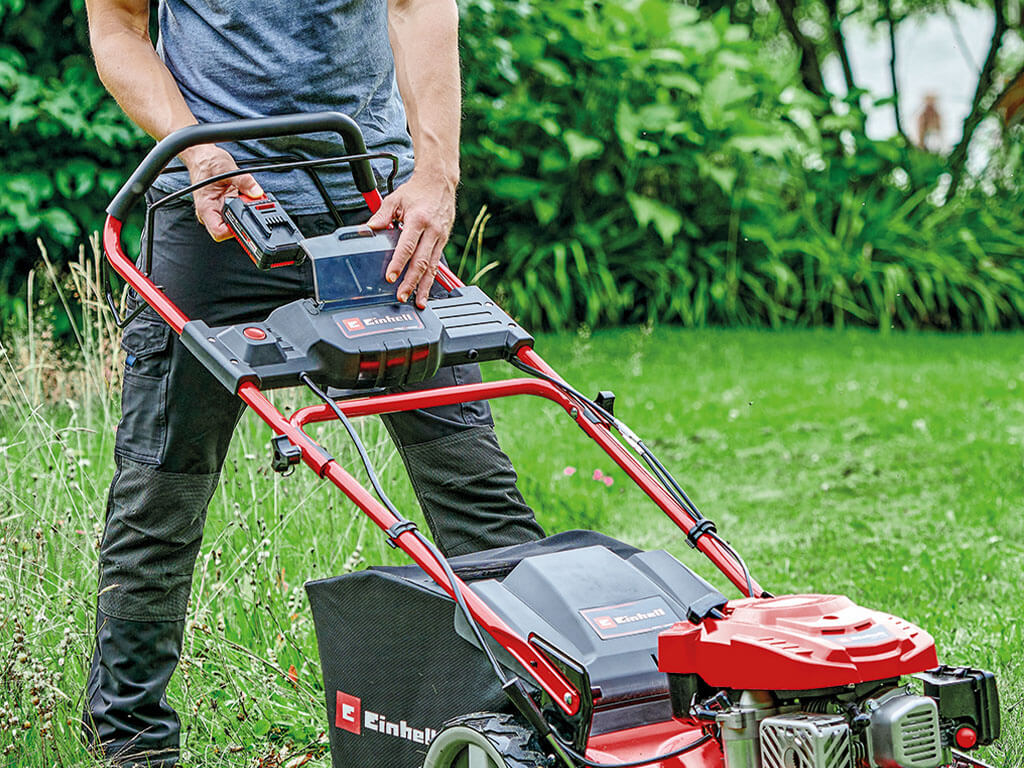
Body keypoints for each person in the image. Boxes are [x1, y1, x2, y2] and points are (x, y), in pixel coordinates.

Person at [82, 0, 544, 764]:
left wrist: (436, 174)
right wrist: (195, 150)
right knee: (161, 489)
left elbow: (419, 4)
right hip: (215, 213)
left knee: (472, 481)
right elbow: (117, 33)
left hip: (367, 207)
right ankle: (133, 743)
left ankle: (546, 709)